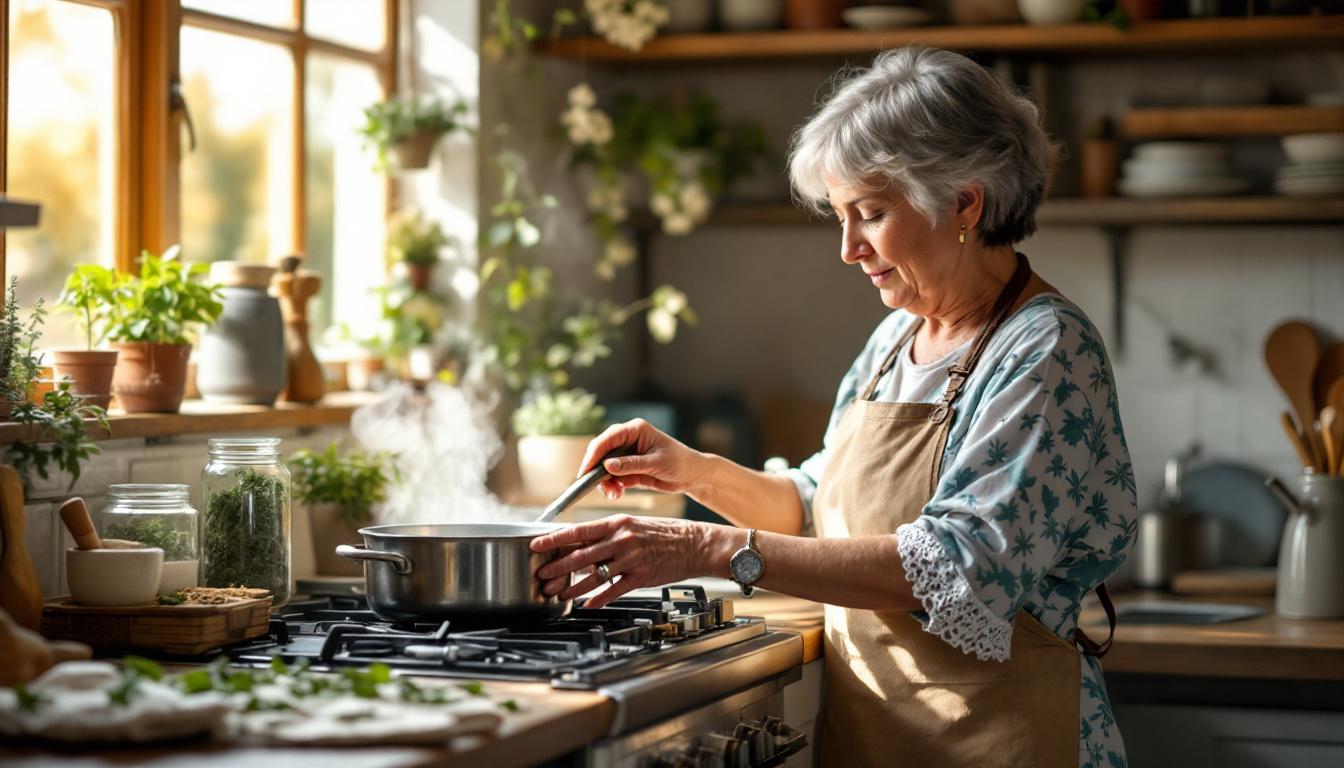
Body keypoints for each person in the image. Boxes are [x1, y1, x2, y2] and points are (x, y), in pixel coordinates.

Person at [531, 46, 1136, 768]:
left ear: (965, 204)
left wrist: (703, 550)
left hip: (1005, 743)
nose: (848, 249)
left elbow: (952, 566)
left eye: (871, 214)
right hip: (881, 740)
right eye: (840, 217)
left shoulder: (1044, 349)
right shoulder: (897, 336)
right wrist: (690, 471)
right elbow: (817, 507)